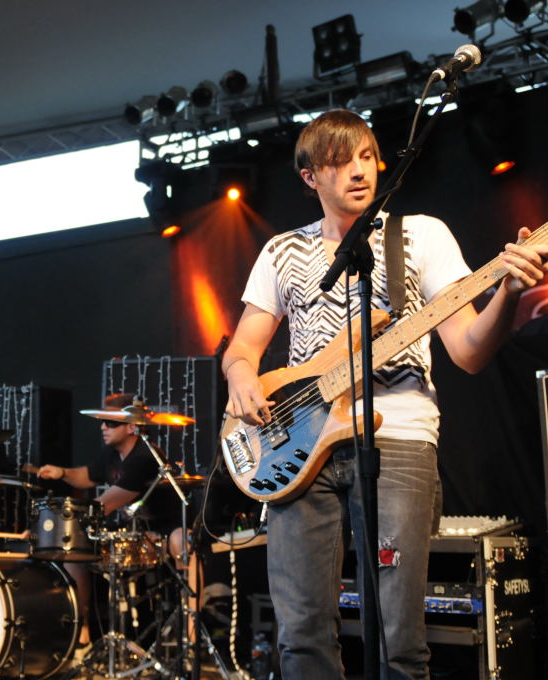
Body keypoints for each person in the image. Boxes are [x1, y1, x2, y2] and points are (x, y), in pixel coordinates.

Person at [222, 109, 548, 679]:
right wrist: (241, 376)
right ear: (310, 177)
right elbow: (242, 348)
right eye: (340, 161)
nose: (359, 171)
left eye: (368, 157)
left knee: (399, 637)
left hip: (399, 436)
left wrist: (507, 292)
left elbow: (469, 351)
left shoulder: (420, 234)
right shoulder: (281, 251)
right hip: (298, 441)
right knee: (301, 636)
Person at [37, 393, 193, 650]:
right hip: (129, 529)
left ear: (132, 426)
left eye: (110, 422)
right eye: (103, 422)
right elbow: (88, 476)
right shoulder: (111, 453)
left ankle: (191, 634)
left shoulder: (145, 456)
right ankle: (82, 633)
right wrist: (63, 472)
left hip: (161, 529)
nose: (103, 427)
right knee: (74, 553)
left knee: (183, 543)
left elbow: (107, 503)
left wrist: (58, 519)